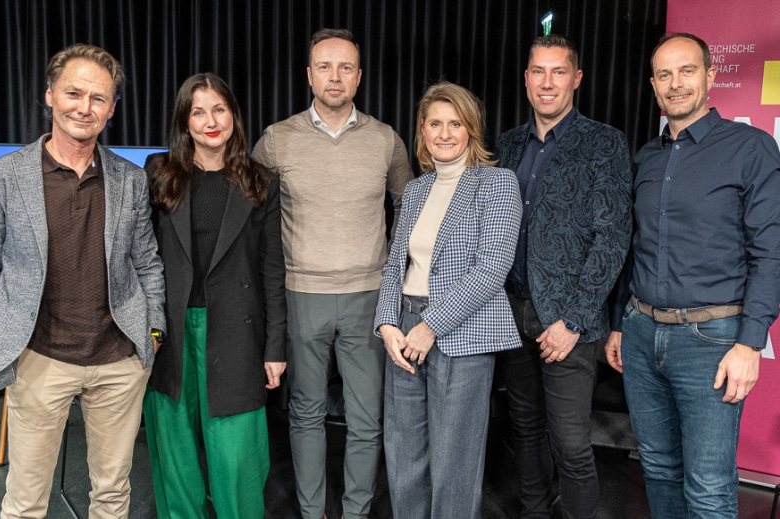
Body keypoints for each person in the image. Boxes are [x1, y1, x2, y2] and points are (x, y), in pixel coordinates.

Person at [0, 44, 165, 518]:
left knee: (112, 495)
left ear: (112, 109)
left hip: (119, 360)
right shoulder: (0, 178)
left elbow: (147, 261)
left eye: (98, 98)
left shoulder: (130, 179)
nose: (85, 107)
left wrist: (153, 330)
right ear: (50, 95)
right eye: (74, 93)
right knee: (25, 502)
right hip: (39, 359)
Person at [605, 32, 780, 518]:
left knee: (707, 488)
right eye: (664, 74)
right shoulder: (647, 156)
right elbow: (635, 246)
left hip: (712, 341)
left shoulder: (751, 148)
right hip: (641, 334)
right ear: (653, 85)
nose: (675, 83)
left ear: (710, 75)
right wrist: (620, 323)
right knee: (659, 468)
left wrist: (749, 344)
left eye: (687, 70)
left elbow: (771, 252)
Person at [251, 28, 413, 519]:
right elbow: (252, 214)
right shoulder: (277, 139)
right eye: (324, 66)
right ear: (309, 75)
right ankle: (312, 511)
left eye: (346, 67)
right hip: (301, 294)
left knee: (366, 418)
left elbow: (411, 208)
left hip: (370, 298)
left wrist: (397, 273)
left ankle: (356, 511)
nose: (335, 76)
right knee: (305, 413)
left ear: (359, 77)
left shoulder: (385, 139)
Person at [495, 34, 632, 519]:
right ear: (526, 78)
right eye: (538, 71)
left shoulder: (604, 143)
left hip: (569, 321)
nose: (547, 82)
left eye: (558, 72)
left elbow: (613, 238)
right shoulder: (507, 144)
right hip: (510, 312)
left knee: (571, 443)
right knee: (525, 431)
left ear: (576, 79)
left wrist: (573, 320)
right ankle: (534, 512)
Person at [374, 81, 522, 519]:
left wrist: (431, 325)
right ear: (422, 130)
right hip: (405, 329)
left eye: (455, 123)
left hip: (462, 333)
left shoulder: (497, 183)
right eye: (435, 123)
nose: (444, 133)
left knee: (454, 462)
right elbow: (394, 264)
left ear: (471, 128)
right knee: (403, 455)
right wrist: (387, 323)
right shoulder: (416, 190)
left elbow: (491, 268)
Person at [142, 73, 286, 519]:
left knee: (237, 456)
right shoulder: (158, 174)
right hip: (169, 331)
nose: (210, 121)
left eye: (219, 110)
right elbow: (140, 257)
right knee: (175, 453)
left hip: (237, 330)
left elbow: (272, 269)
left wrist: (275, 347)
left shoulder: (261, 181)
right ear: (184, 121)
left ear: (233, 116)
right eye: (198, 112)